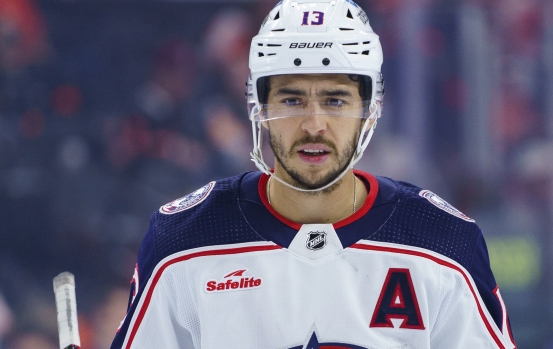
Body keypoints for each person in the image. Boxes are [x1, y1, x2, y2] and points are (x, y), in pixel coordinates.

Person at [110, 0, 517, 348]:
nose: (314, 124)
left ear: (370, 109)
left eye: (335, 100)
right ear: (259, 107)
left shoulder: (443, 244)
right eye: (291, 99)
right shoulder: (182, 242)